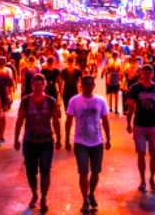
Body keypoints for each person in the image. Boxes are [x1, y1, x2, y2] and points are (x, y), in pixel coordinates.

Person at [14, 73, 62, 213]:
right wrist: (16, 138)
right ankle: (35, 194)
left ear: (44, 86)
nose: (38, 87)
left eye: (40, 85)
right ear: (31, 86)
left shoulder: (51, 101)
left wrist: (59, 138)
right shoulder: (25, 101)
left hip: (46, 141)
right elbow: (19, 120)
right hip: (30, 141)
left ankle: (44, 198)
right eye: (35, 85)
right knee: (31, 172)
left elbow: (56, 121)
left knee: (45, 171)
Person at [65, 75, 111, 213]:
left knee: (96, 172)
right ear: (81, 85)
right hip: (80, 142)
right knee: (83, 171)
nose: (88, 86)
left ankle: (91, 194)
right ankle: (85, 198)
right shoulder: (74, 101)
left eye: (90, 84)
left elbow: (105, 121)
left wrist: (108, 138)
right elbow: (68, 121)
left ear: (94, 85)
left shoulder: (100, 101)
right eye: (85, 84)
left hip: (97, 141)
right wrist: (66, 139)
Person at [125, 64, 155, 192]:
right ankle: (142, 180)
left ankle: (152, 177)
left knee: (154, 154)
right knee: (141, 153)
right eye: (144, 72)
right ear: (140, 73)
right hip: (139, 125)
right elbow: (130, 108)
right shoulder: (135, 88)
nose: (147, 75)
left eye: (149, 73)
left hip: (154, 125)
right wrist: (128, 123)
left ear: (152, 74)